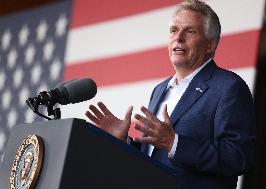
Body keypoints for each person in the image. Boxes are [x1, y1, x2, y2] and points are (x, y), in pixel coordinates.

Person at [85, 0, 256, 189]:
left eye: (190, 31)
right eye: (174, 30)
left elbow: (238, 157)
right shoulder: (160, 89)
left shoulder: (229, 87)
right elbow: (153, 156)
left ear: (210, 44)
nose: (179, 38)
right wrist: (124, 141)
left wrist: (174, 143)